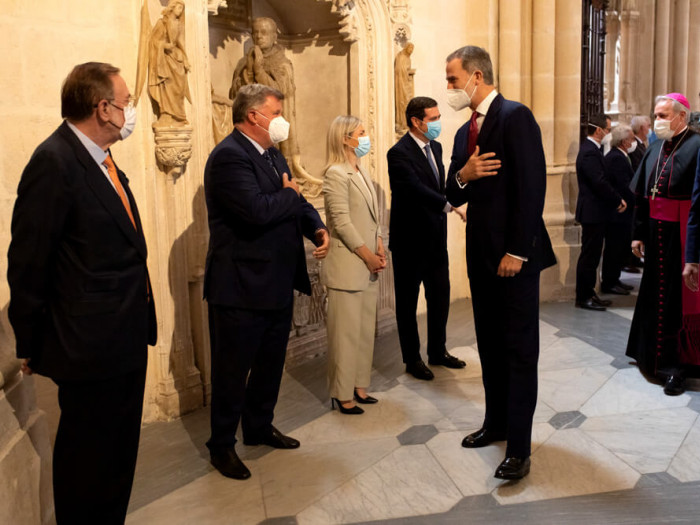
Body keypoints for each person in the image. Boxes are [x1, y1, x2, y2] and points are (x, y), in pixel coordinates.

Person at [7, 62, 157, 524]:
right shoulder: (54, 161)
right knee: (87, 462)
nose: (130, 111)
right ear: (103, 107)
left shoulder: (103, 159)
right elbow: (29, 260)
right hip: (89, 344)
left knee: (117, 459)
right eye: (126, 102)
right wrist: (28, 342)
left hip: (125, 335)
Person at [203, 83, 329, 480]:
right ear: (254, 116)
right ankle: (221, 445)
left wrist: (317, 227)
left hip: (274, 279)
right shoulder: (228, 157)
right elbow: (257, 211)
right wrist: (290, 197)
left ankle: (258, 426)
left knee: (271, 363)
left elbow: (297, 198)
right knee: (232, 369)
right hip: (240, 285)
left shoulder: (272, 154)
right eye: (275, 112)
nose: (281, 120)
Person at [444, 46, 556, 480]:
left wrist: (518, 250)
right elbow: (453, 195)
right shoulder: (461, 134)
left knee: (519, 350)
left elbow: (532, 187)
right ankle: (495, 424)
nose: (450, 88)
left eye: (453, 79)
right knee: (489, 345)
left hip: (514, 257)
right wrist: (463, 176)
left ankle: (521, 448)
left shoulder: (515, 116)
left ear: (476, 75)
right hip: (481, 257)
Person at [387, 96, 466, 381]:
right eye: (432, 119)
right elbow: (415, 189)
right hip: (409, 242)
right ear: (416, 122)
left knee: (440, 297)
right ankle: (412, 359)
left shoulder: (437, 147)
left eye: (437, 117)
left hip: (435, 240)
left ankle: (438, 351)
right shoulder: (398, 153)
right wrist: (449, 206)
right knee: (408, 304)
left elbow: (439, 186)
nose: (437, 123)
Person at [627, 93, 700, 396]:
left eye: (664, 115)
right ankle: (649, 356)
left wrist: (693, 254)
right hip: (656, 232)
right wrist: (637, 232)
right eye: (656, 115)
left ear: (681, 116)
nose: (658, 121)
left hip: (682, 234)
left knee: (675, 301)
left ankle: (676, 366)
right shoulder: (656, 146)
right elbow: (644, 197)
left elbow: (698, 202)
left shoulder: (697, 146)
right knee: (653, 294)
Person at [321, 115, 385, 414]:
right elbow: (342, 222)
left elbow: (372, 217)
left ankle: (360, 386)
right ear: (345, 138)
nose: (365, 137)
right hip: (350, 264)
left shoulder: (360, 171)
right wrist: (367, 255)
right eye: (361, 132)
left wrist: (380, 244)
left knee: (362, 332)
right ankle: (341, 393)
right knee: (344, 335)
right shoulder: (335, 173)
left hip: (369, 263)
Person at [231, 17, 323, 195]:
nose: (259, 36)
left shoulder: (282, 63)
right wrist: (247, 71)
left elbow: (279, 92)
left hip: (273, 123)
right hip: (249, 126)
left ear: (275, 36)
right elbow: (236, 94)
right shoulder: (243, 62)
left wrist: (259, 70)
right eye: (255, 32)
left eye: (264, 32)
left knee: (277, 162)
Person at [574, 114, 627, 310]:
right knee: (589, 256)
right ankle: (583, 296)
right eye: (608, 129)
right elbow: (599, 182)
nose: (609, 133)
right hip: (592, 212)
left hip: (597, 212)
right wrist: (617, 199)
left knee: (594, 255)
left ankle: (589, 293)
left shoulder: (593, 150)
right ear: (598, 130)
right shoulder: (589, 152)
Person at [600, 124, 636, 295]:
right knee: (614, 248)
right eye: (630, 138)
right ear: (623, 141)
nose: (633, 141)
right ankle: (609, 282)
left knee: (620, 246)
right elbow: (623, 185)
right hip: (617, 212)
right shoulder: (616, 158)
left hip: (623, 211)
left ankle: (615, 278)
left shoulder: (620, 155)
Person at [148, 0, 191, 126]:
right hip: (165, 60)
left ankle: (179, 117)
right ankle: (167, 114)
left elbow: (181, 43)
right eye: (179, 7)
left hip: (177, 59)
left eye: (182, 8)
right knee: (167, 86)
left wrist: (185, 59)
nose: (180, 10)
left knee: (179, 88)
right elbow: (153, 41)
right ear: (172, 7)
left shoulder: (179, 25)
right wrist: (164, 45)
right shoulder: (162, 23)